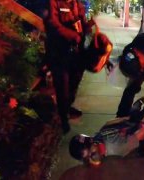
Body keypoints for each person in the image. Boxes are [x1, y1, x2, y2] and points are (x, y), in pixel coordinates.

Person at [44, 0, 113, 134]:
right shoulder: (54, 3)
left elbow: (83, 24)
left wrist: (92, 30)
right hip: (59, 54)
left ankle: (67, 107)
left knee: (74, 84)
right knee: (62, 87)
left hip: (76, 54)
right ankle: (63, 119)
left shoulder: (76, 4)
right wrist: (73, 36)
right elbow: (53, 25)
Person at [69, 97, 144, 166]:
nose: (92, 159)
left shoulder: (109, 143)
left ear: (92, 142)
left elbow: (138, 132)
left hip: (130, 129)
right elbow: (140, 133)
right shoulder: (107, 142)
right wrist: (134, 120)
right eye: (89, 158)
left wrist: (136, 120)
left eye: (91, 154)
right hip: (130, 131)